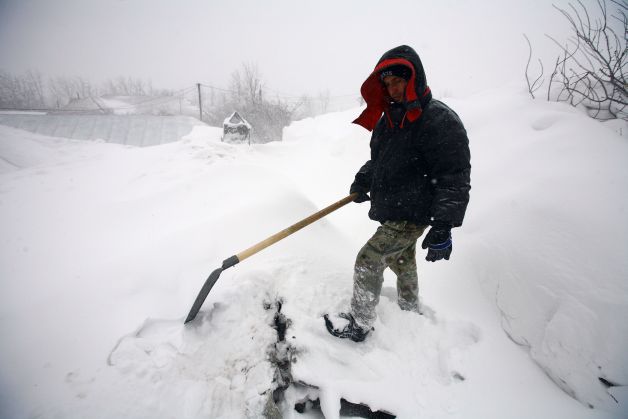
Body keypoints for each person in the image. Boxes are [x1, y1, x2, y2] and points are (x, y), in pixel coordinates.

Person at [324, 45, 471, 342]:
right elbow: (381, 160)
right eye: (387, 84)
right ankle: (409, 307)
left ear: (414, 79)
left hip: (414, 211)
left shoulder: (438, 120)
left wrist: (443, 224)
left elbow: (454, 175)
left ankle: (360, 323)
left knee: (369, 259)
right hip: (397, 207)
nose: (392, 89)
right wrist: (362, 181)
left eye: (398, 82)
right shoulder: (390, 119)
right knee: (402, 261)